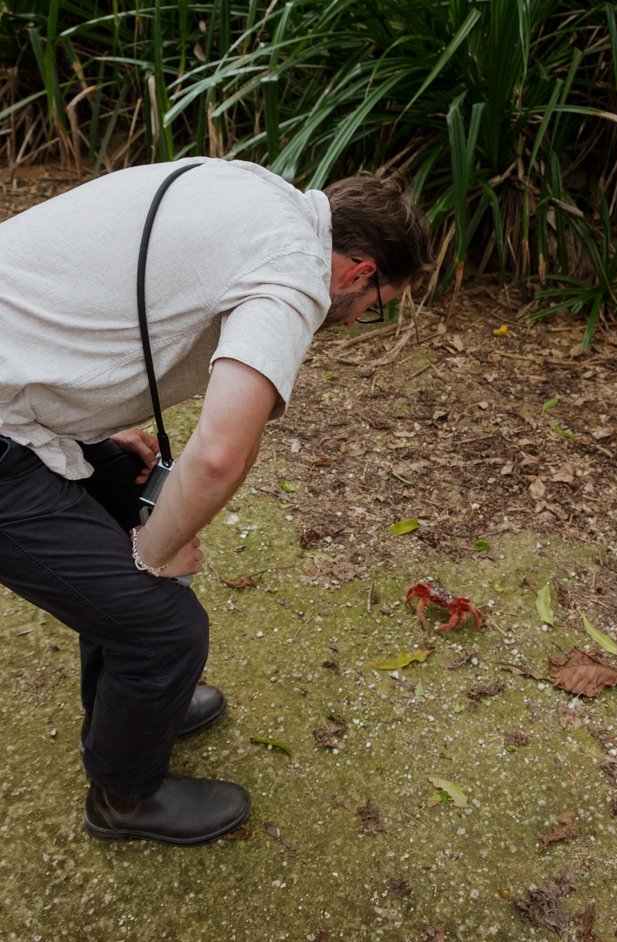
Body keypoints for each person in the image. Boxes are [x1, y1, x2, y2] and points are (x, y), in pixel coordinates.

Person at [0, 157, 431, 845]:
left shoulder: (253, 190)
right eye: (374, 308)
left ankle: (128, 709)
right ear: (357, 269)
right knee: (165, 626)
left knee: (120, 487)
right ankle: (125, 799)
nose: (355, 323)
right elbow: (222, 452)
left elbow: (94, 290)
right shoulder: (293, 267)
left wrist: (90, 411)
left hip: (13, 382)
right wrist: (153, 551)